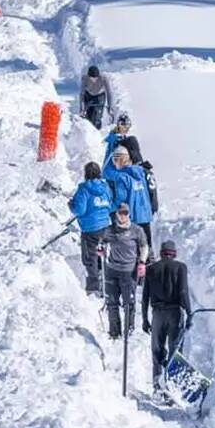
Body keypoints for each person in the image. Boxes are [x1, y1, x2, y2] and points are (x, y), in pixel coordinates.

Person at [141, 240, 192, 394]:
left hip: (157, 314)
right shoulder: (180, 267)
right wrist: (189, 313)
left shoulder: (151, 269)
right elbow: (183, 292)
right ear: (174, 253)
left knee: (157, 349)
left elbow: (145, 297)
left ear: (161, 253)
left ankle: (157, 385)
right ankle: (173, 385)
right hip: (175, 313)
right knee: (175, 349)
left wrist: (144, 319)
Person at [100, 203, 148, 339]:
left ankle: (129, 330)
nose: (123, 216)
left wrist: (142, 262)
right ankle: (114, 332)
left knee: (129, 303)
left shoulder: (136, 230)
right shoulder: (109, 230)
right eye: (120, 213)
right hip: (112, 270)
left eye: (125, 213)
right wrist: (101, 249)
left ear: (129, 214)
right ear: (116, 215)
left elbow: (144, 246)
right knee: (112, 302)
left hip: (129, 271)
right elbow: (101, 242)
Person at [68, 161, 112, 295]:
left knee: (90, 257)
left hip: (90, 229)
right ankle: (108, 281)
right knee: (105, 254)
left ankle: (93, 286)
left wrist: (71, 205)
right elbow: (110, 203)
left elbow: (79, 210)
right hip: (105, 226)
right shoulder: (105, 187)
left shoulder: (84, 189)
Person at [104, 145, 153, 246]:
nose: (115, 163)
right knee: (146, 247)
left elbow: (120, 200)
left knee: (135, 249)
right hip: (145, 216)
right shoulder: (140, 173)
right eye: (114, 160)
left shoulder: (121, 178)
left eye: (117, 159)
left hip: (133, 218)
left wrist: (108, 208)